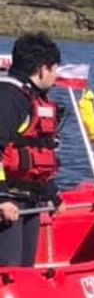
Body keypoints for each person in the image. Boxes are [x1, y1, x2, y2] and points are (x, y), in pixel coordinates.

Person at [0, 32, 63, 267]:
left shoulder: (31, 97)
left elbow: (34, 153)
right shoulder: (9, 98)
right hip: (8, 202)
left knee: (25, 268)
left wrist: (52, 193)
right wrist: (2, 198)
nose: (56, 76)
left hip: (28, 200)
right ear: (42, 69)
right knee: (9, 268)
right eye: (55, 69)